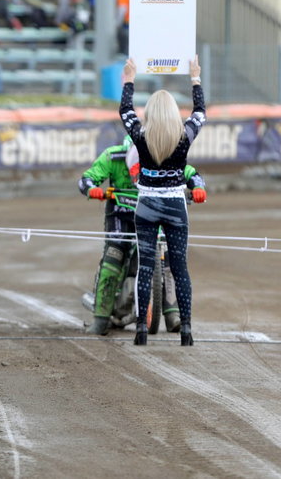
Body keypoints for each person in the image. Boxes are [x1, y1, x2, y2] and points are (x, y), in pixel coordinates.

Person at [119, 55, 205, 346]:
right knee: (180, 268)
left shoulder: (141, 135)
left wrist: (129, 80)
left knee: (145, 266)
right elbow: (201, 113)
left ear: (152, 112)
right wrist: (195, 78)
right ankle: (187, 330)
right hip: (175, 206)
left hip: (145, 206)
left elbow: (125, 111)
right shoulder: (184, 136)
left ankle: (142, 329)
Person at [78, 140, 207, 335]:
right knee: (114, 254)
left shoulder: (166, 156)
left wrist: (197, 187)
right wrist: (91, 188)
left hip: (154, 213)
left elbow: (191, 174)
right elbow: (86, 178)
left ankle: (173, 315)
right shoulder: (112, 156)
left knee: (170, 255)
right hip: (121, 215)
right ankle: (100, 318)